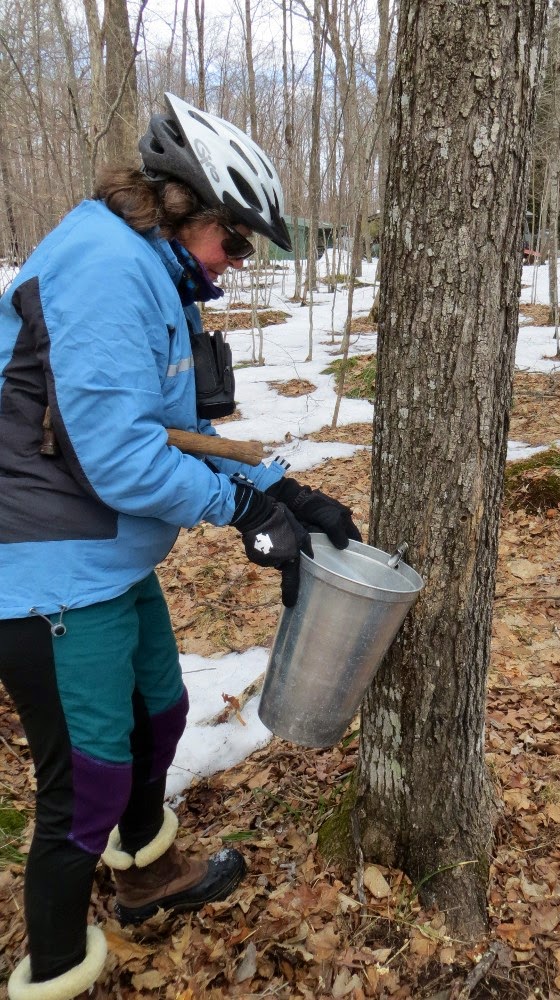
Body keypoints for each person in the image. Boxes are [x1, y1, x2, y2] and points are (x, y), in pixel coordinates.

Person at [0, 92, 361, 1000]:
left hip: (107, 555)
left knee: (159, 716)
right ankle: (54, 972)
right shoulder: (105, 267)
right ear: (181, 207)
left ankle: (144, 877)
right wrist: (241, 512)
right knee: (85, 783)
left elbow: (172, 430)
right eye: (234, 241)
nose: (236, 263)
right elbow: (119, 455)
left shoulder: (151, 273)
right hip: (45, 569)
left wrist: (279, 488)